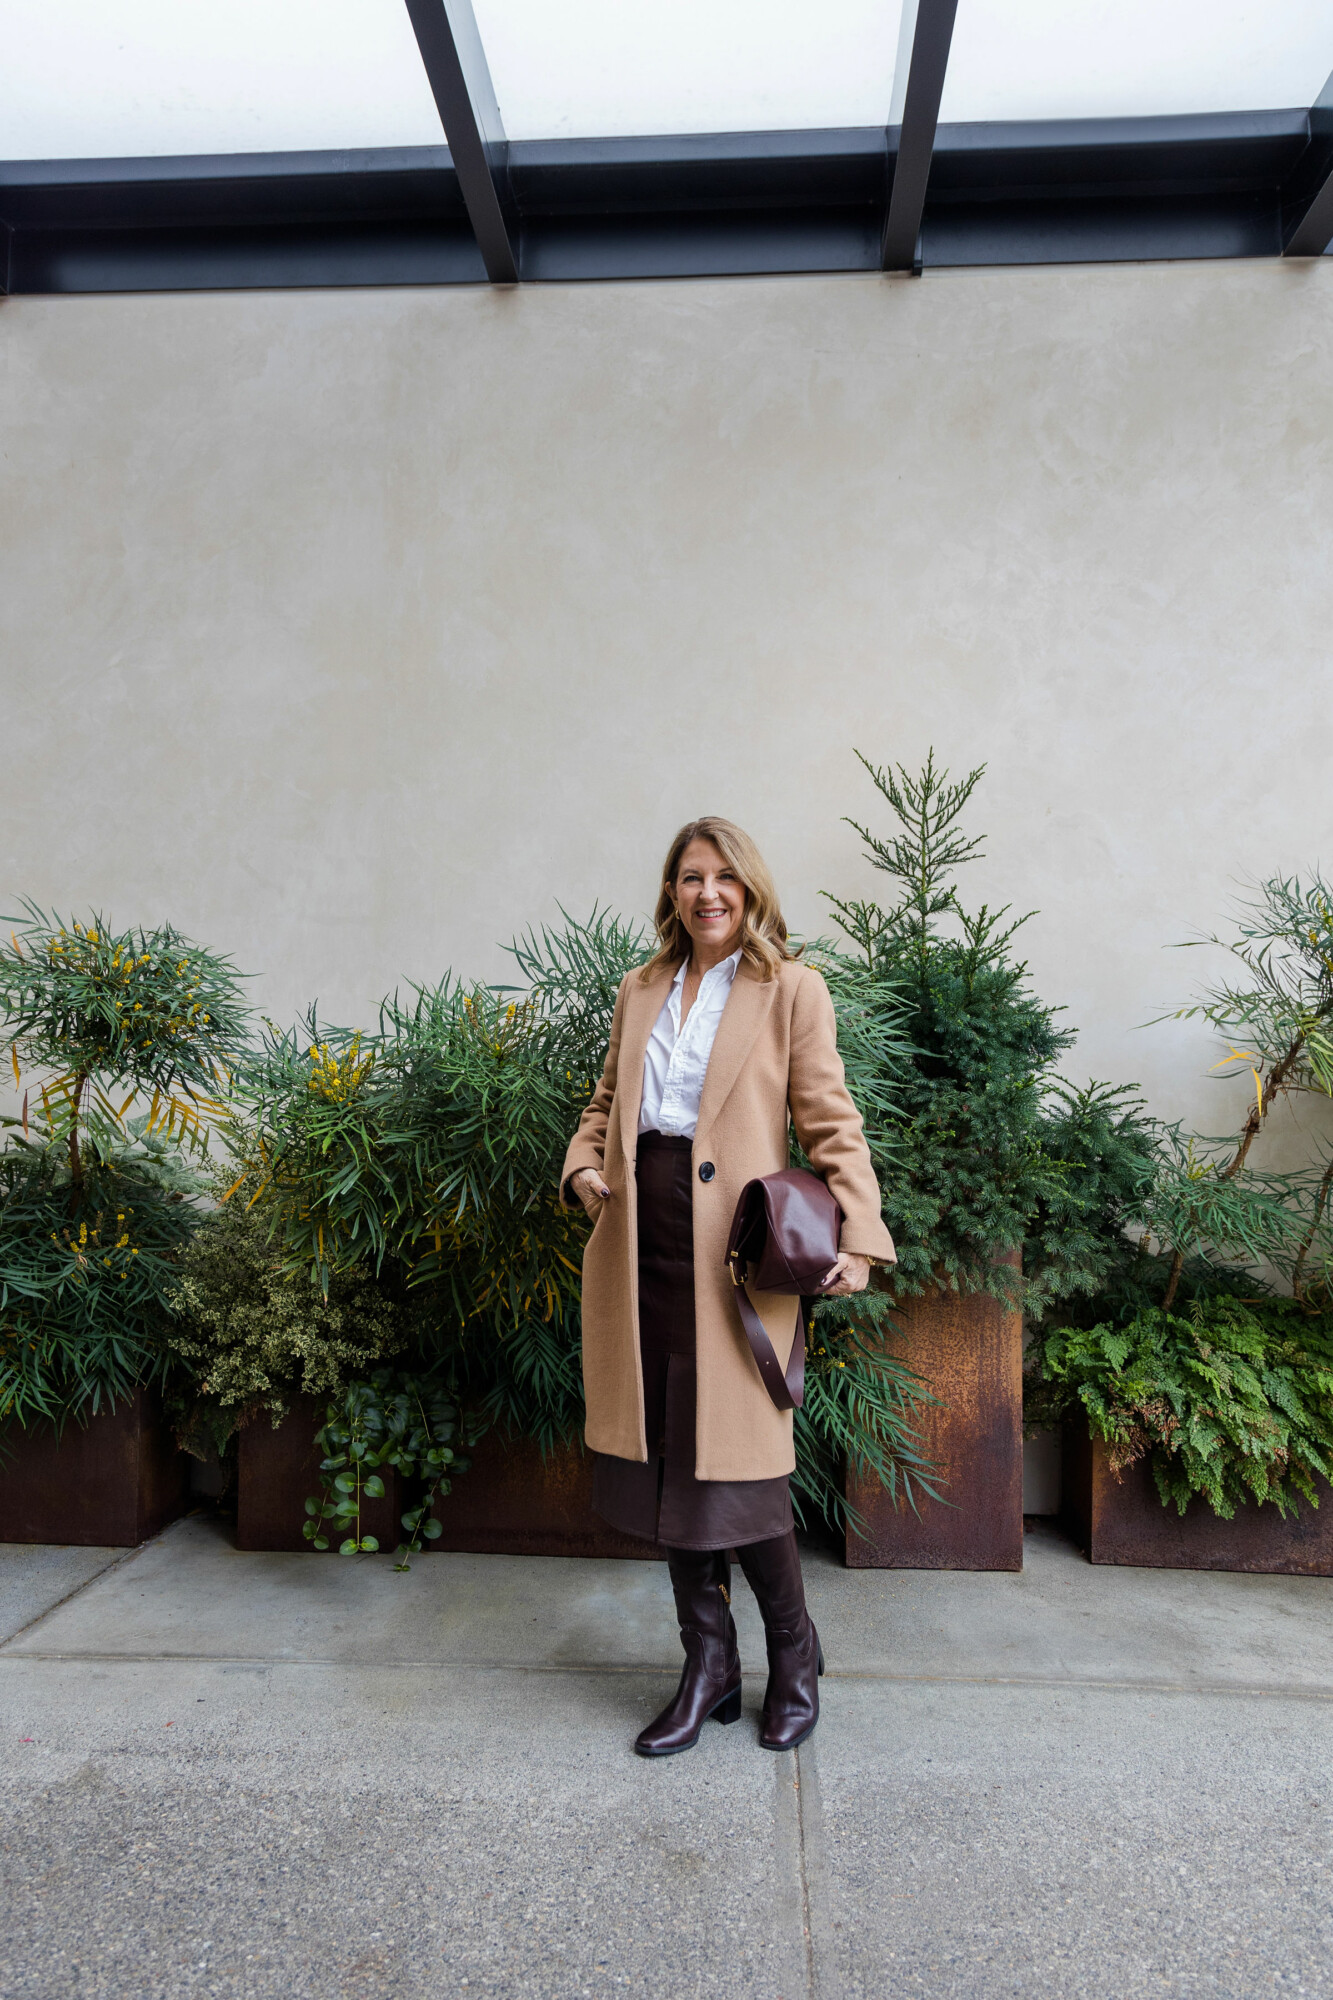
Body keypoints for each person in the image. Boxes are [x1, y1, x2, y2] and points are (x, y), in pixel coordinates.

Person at [560, 817, 895, 1756]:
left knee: (740, 1473)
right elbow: (602, 1106)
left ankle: (792, 1653)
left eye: (723, 879)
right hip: (639, 1250)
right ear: (670, 891)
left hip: (735, 1262)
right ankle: (706, 1663)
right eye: (688, 877)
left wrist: (860, 1239)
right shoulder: (638, 990)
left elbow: (830, 1120)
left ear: (749, 891)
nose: (706, 893)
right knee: (667, 1458)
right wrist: (584, 1168)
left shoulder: (789, 990)